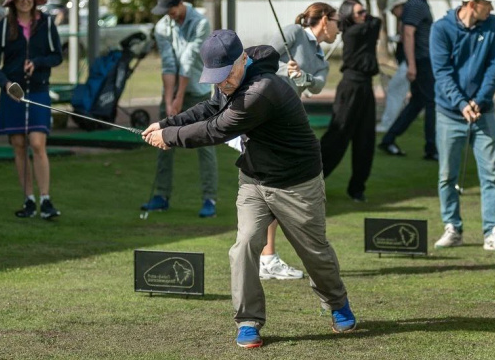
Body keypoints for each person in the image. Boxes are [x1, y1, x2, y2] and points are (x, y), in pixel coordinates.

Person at [141, 30, 356, 348]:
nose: (223, 83)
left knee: (314, 253)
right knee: (243, 246)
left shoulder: (262, 90)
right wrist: (166, 123)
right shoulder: (229, 81)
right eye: (216, 77)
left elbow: (218, 128)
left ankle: (337, 303)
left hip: (296, 183)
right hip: (255, 180)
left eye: (226, 75)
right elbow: (209, 108)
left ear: (243, 59)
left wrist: (170, 137)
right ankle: (248, 320)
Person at [254, 2, 339, 280]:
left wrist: (302, 76)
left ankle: (267, 257)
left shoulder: (321, 56)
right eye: (337, 21)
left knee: (279, 185)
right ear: (325, 20)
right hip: (268, 112)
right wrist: (284, 70)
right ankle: (266, 258)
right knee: (271, 185)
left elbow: (317, 84)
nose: (340, 28)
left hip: (290, 121)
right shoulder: (293, 32)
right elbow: (258, 59)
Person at [430, 0, 495, 251]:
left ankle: (492, 231)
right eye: (488, 3)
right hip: (450, 113)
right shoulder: (440, 29)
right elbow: (442, 73)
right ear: (473, 4)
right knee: (447, 175)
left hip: (483, 112)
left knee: (491, 174)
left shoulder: (492, 25)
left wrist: (479, 100)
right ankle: (452, 227)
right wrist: (461, 103)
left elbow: (494, 66)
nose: (492, 8)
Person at [0, 0, 63, 219]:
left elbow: (57, 56)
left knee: (38, 144)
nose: (26, 1)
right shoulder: (3, 27)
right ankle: (29, 200)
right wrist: (6, 84)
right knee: (19, 146)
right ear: (14, 2)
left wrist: (38, 63)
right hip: (13, 94)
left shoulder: (47, 24)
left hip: (38, 90)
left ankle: (46, 200)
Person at [140, 0, 218, 217]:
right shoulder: (162, 26)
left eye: (171, 9)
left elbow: (187, 60)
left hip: (198, 91)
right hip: (172, 89)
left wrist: (179, 97)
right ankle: (161, 196)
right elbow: (169, 63)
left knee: (205, 145)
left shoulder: (201, 23)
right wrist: (168, 102)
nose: (168, 14)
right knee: (161, 141)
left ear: (181, 4)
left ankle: (209, 200)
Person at [320, 0, 381, 202]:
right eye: (359, 13)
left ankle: (357, 189)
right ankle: (311, 179)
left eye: (365, 11)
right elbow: (376, 23)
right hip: (350, 88)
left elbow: (376, 21)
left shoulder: (362, 28)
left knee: (365, 139)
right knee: (338, 136)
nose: (365, 15)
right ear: (349, 18)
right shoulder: (354, 33)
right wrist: (360, 18)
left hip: (365, 87)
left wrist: (359, 14)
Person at [378, 0, 440, 160]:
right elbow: (408, 34)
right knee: (431, 102)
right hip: (421, 60)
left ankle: (388, 140)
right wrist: (411, 64)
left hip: (422, 59)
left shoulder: (419, 3)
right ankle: (431, 149)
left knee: (418, 102)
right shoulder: (415, 4)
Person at [376, 0, 410, 133]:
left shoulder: (407, 20)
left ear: (399, 6)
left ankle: (388, 124)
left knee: (394, 91)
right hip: (407, 62)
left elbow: (407, 39)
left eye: (393, 10)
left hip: (409, 63)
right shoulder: (405, 18)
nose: (392, 13)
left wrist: (395, 39)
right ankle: (397, 121)